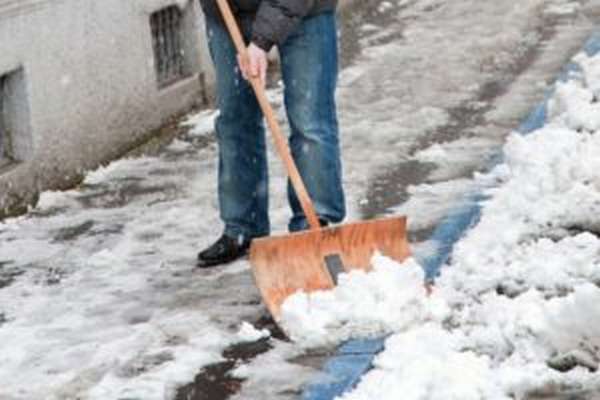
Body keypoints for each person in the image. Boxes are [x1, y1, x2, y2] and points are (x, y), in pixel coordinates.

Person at [196, 0, 345, 268]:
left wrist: (262, 40)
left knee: (310, 121)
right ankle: (243, 227)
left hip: (305, 11)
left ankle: (313, 225)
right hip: (229, 13)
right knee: (234, 121)